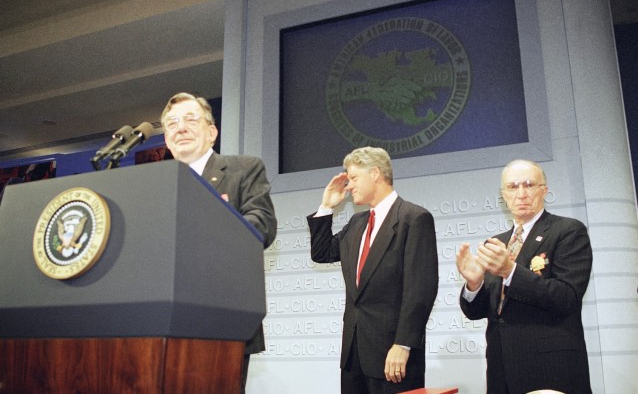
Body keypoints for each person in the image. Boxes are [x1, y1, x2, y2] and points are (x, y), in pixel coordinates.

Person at [161, 92, 277, 393]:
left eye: (190, 120)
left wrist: (211, 231)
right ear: (166, 139)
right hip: (162, 322)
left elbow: (262, 224)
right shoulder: (155, 186)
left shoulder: (243, 169)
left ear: (212, 132)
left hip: (223, 319)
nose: (180, 128)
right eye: (171, 123)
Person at [307, 146, 438, 394]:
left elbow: (420, 289)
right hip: (353, 356)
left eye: (354, 178)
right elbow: (322, 253)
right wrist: (326, 207)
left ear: (376, 173)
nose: (349, 186)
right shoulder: (357, 223)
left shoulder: (414, 218)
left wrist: (403, 344)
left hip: (393, 355)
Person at [456, 159, 593, 393]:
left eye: (529, 185)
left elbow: (566, 297)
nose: (521, 194)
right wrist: (474, 283)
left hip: (550, 368)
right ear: (503, 195)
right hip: (502, 368)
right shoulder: (497, 242)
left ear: (544, 191)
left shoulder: (568, 231)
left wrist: (510, 271)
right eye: (512, 187)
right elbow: (478, 311)